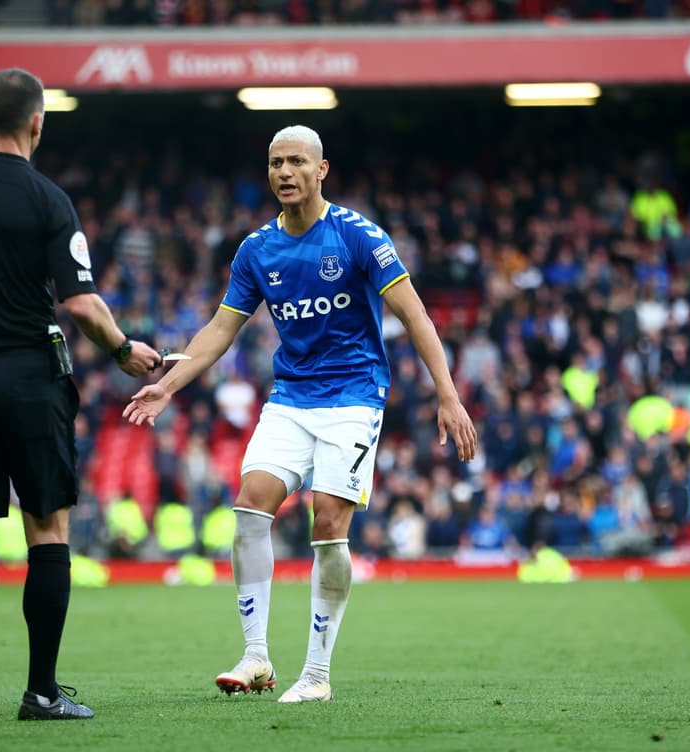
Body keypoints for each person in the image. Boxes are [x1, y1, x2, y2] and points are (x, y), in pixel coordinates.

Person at [125, 125, 478, 703]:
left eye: (295, 162)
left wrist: (447, 392)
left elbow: (415, 315)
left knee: (329, 522)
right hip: (291, 398)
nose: (284, 172)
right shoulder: (256, 249)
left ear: (321, 170)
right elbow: (220, 330)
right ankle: (257, 657)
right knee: (249, 505)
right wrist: (168, 384)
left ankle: (316, 674)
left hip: (355, 397)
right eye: (274, 163)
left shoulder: (359, 236)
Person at [0, 67, 161, 727]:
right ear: (37, 123)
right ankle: (42, 692)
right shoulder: (48, 200)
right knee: (48, 529)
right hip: (28, 377)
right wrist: (124, 349)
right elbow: (79, 302)